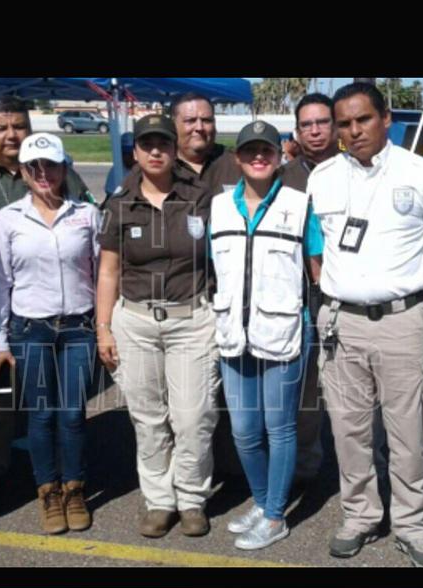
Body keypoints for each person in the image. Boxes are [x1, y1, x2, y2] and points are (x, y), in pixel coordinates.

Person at [307, 83, 423, 568]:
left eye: (363, 120)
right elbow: (315, 246)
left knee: (406, 433)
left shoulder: (422, 174)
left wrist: (409, 288)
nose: (353, 131)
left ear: (386, 118)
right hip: (342, 325)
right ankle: (359, 516)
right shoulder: (323, 177)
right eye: (344, 123)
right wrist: (331, 289)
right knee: (349, 430)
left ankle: (413, 526)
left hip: (401, 323)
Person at [0, 95, 96, 487]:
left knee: (50, 402)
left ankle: (56, 467)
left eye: (19, 126)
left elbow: (85, 219)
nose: (12, 135)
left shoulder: (63, 174)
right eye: (2, 128)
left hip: (44, 309)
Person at [96, 114, 219, 539]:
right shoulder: (119, 202)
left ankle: (191, 498)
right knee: (147, 418)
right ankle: (160, 500)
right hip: (136, 320)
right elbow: (108, 271)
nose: (155, 151)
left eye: (162, 144)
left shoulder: (201, 197)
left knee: (192, 417)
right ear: (135, 151)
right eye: (146, 144)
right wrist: (104, 327)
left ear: (174, 148)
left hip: (191, 318)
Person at [210, 120, 323, 550]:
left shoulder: (300, 204)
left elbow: (317, 270)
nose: (259, 157)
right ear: (238, 158)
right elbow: (215, 268)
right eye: (250, 151)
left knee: (280, 429)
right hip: (233, 335)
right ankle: (262, 501)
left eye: (267, 151)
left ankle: (275, 516)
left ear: (280, 157)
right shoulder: (220, 207)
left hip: (284, 332)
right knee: (243, 430)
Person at [0, 133, 101, 534]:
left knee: (72, 414)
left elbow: (101, 270)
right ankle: (47, 490)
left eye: (50, 165)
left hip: (77, 329)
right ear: (22, 171)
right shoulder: (9, 218)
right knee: (41, 415)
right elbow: (1, 282)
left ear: (63, 168)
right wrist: (1, 340)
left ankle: (74, 487)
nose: (43, 174)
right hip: (30, 329)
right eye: (33, 167)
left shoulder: (85, 214)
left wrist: (103, 327)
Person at [281, 93, 342, 484]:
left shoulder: (356, 170)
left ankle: (369, 461)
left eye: (322, 122)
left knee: (353, 388)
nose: (315, 131)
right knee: (305, 391)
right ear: (297, 131)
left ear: (335, 127)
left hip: (348, 295)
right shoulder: (283, 177)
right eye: (307, 125)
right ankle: (305, 466)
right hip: (299, 297)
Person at [118, 92, 242, 198]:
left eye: (206, 120)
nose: (199, 127)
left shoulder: (237, 163)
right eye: (190, 120)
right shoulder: (153, 168)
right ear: (173, 125)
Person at [105, 132, 136, 199]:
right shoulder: (116, 171)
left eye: (131, 153)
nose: (130, 157)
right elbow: (109, 196)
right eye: (125, 153)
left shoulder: (145, 170)